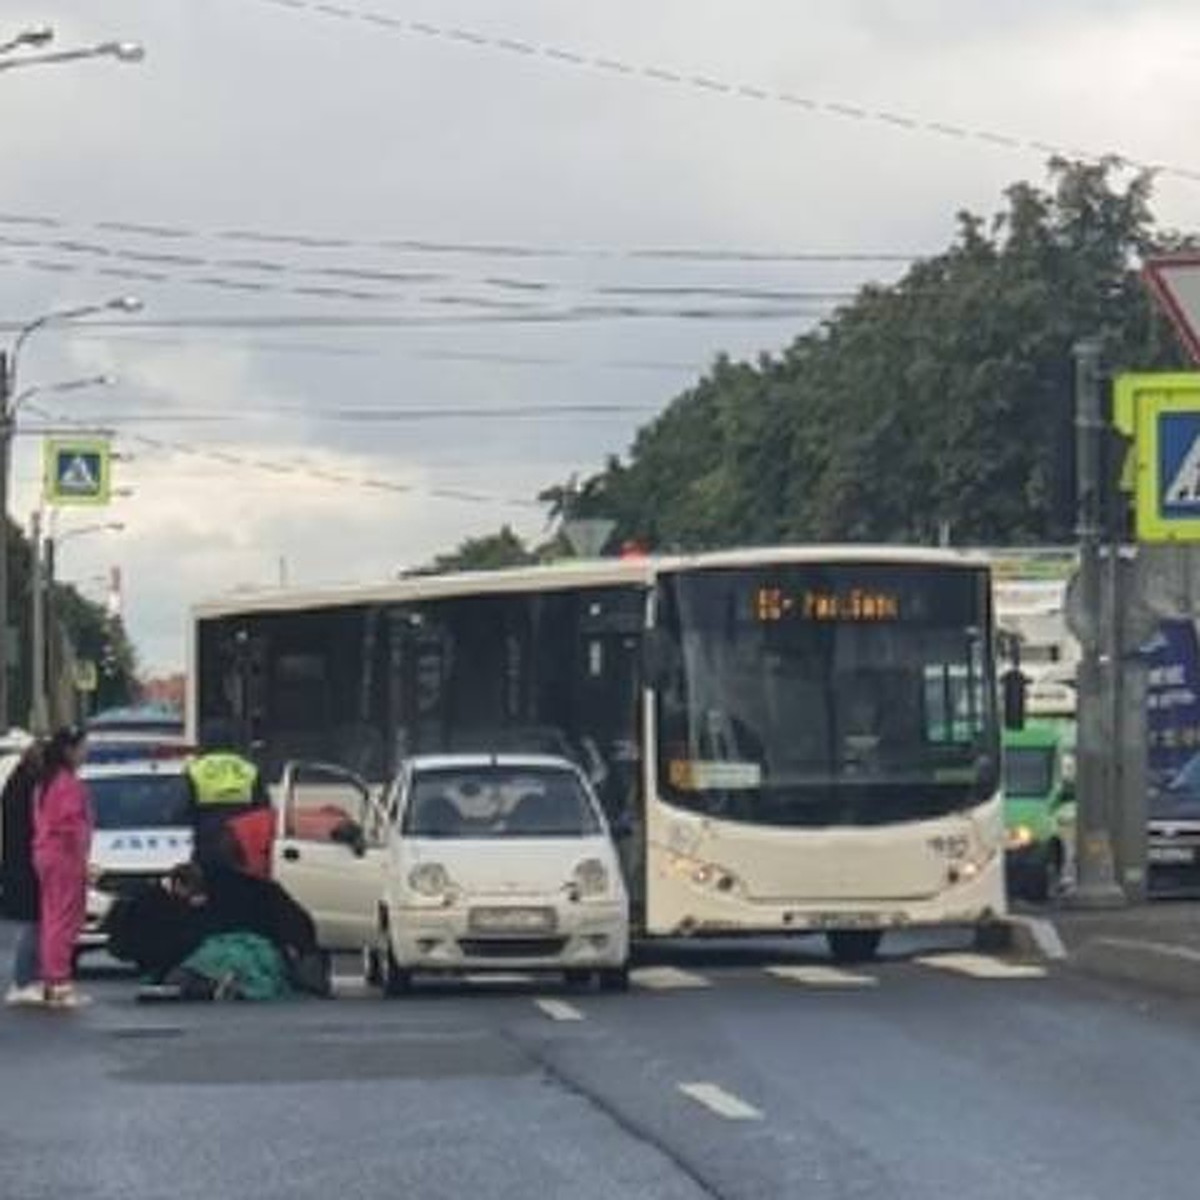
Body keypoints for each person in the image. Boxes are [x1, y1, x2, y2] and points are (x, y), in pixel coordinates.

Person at [32, 727, 93, 1009]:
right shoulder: (67, 783)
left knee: (53, 916)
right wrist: (80, 854)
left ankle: (53, 980)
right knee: (63, 919)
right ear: (70, 751)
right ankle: (59, 982)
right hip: (63, 856)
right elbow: (70, 823)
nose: (86, 752)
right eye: (83, 747)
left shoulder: (48, 781)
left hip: (48, 854)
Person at [184, 739, 269, 870]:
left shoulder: (195, 769)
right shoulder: (248, 768)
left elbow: (185, 804)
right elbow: (263, 807)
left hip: (208, 835)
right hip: (241, 836)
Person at [2, 743, 44, 1006]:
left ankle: (30, 979)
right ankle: (23, 981)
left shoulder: (17, 784)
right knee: (34, 923)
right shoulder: (25, 787)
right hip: (26, 865)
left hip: (21, 864)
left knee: (37, 923)